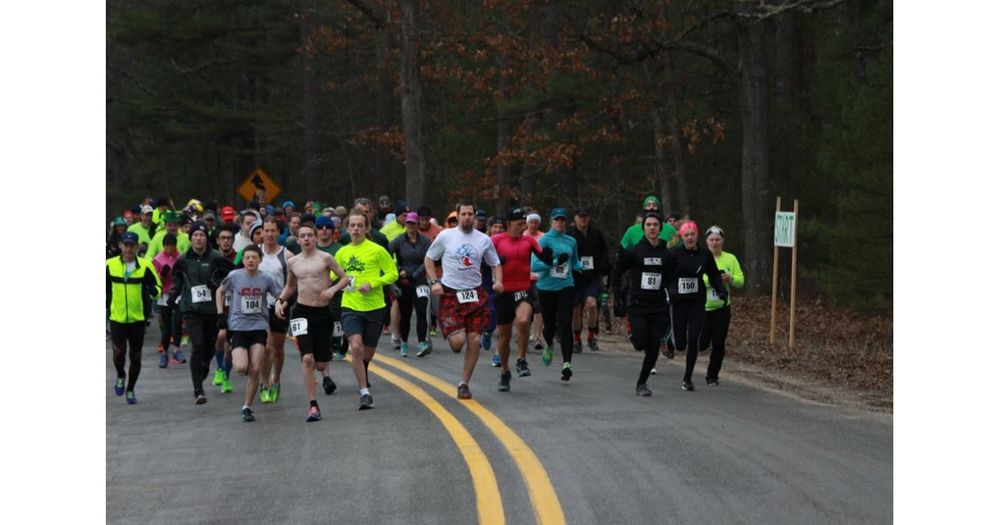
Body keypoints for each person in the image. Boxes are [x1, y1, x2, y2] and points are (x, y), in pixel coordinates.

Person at [424, 202, 503, 399]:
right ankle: (453, 332)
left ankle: (464, 384)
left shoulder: (484, 240)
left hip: (475, 294)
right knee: (458, 343)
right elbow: (429, 259)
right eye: (463, 214)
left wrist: (498, 281)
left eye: (470, 214)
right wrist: (435, 281)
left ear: (475, 217)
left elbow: (495, 263)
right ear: (457, 216)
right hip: (451, 293)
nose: (467, 217)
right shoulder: (445, 236)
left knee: (474, 339)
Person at [274, 222, 352, 421]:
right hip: (301, 312)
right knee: (307, 358)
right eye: (303, 236)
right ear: (298, 239)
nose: (307, 239)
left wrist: (332, 290)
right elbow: (290, 286)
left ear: (316, 238)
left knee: (320, 363)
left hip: (322, 313)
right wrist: (281, 301)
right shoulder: (293, 263)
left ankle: (323, 368)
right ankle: (313, 406)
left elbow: (345, 278)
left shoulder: (325, 258)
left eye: (310, 235)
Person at [333, 211, 399, 409]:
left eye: (360, 225)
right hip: (350, 305)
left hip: (374, 307)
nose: (356, 229)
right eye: (352, 225)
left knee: (367, 354)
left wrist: (373, 283)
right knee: (355, 346)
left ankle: (363, 366)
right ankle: (364, 392)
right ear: (347, 228)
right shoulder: (342, 252)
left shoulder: (377, 250)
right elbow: (332, 275)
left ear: (367, 228)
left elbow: (392, 273)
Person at [215, 245, 283, 422]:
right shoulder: (234, 276)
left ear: (260, 260)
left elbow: (279, 295)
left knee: (255, 367)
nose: (251, 260)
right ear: (243, 260)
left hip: (259, 327)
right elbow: (219, 292)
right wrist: (220, 314)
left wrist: (279, 304)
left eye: (254, 257)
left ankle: (247, 406)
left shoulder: (266, 279)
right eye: (247, 258)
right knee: (241, 367)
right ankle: (229, 355)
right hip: (238, 327)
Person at [167, 221, 233, 405]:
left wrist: (218, 281)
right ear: (191, 238)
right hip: (191, 310)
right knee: (197, 345)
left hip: (212, 310)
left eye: (202, 235)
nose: (198, 238)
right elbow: (177, 282)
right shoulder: (182, 260)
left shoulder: (216, 257)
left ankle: (204, 366)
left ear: (206, 238)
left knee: (209, 347)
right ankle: (198, 390)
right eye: (195, 235)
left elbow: (231, 277)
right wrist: (172, 297)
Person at [612, 212, 673, 396]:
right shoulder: (634, 251)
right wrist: (617, 295)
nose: (652, 228)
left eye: (655, 225)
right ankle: (632, 330)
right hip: (638, 305)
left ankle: (642, 383)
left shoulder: (667, 254)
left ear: (660, 229)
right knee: (640, 343)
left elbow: (672, 275)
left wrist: (672, 289)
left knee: (653, 348)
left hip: (658, 306)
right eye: (649, 225)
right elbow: (617, 270)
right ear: (643, 228)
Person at [491, 207, 551, 391]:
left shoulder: (529, 240)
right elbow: (483, 260)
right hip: (503, 293)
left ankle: (521, 359)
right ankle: (504, 372)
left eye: (524, 224)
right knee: (504, 336)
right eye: (519, 224)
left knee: (524, 320)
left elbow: (544, 256)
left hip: (522, 290)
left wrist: (550, 256)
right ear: (508, 224)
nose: (523, 227)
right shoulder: (496, 240)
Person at [669, 221, 727, 391]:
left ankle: (687, 378)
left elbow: (714, 275)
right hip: (678, 302)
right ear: (682, 237)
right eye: (686, 235)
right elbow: (667, 275)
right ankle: (669, 340)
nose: (689, 238)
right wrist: (671, 288)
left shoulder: (705, 254)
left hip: (697, 302)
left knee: (693, 340)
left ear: (697, 236)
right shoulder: (675, 254)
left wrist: (721, 290)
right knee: (680, 343)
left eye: (692, 234)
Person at [107, 231, 162, 404]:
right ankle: (120, 375)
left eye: (132, 245)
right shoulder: (109, 265)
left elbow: (158, 287)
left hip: (138, 319)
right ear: (121, 246)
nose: (129, 248)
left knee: (135, 357)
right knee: (119, 353)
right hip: (117, 317)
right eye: (126, 245)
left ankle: (130, 389)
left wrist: (154, 292)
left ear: (137, 247)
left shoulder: (145, 266)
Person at [531, 208, 582, 381]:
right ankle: (549, 344)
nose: (560, 223)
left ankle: (567, 364)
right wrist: (553, 263)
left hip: (566, 286)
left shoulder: (571, 241)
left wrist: (583, 268)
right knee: (550, 325)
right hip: (546, 288)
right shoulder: (544, 240)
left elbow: (575, 261)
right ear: (551, 221)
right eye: (557, 220)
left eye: (563, 220)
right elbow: (534, 266)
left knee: (566, 323)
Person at [697, 226, 744, 386]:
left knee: (719, 342)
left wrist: (729, 277)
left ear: (722, 241)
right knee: (702, 343)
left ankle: (712, 376)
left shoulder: (730, 258)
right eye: (712, 240)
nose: (715, 243)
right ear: (707, 241)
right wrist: (714, 280)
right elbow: (697, 279)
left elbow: (741, 280)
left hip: (722, 307)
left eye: (718, 240)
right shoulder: (701, 257)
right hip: (703, 307)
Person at [256, 217, 292, 403]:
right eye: (266, 230)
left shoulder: (287, 255)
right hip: (259, 307)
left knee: (278, 349)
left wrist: (285, 301)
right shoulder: (255, 252)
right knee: (267, 348)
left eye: (273, 231)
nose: (269, 234)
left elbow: (293, 284)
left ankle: (276, 379)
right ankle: (264, 383)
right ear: (261, 232)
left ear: (279, 232)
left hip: (280, 306)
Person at [388, 212, 432, 357]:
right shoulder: (399, 240)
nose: (411, 226)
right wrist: (398, 270)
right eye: (408, 223)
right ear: (405, 224)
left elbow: (429, 259)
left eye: (413, 223)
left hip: (420, 280)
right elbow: (386, 256)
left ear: (418, 224)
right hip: (404, 282)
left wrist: (415, 274)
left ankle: (422, 342)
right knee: (405, 313)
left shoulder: (425, 241)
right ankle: (404, 341)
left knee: (422, 310)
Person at [568, 208, 610, 352]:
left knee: (592, 305)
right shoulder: (570, 235)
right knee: (575, 309)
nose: (583, 220)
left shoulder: (596, 233)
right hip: (575, 277)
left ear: (589, 218)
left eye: (585, 217)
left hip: (592, 276)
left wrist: (604, 268)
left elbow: (604, 252)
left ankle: (591, 336)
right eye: (580, 217)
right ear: (575, 219)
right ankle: (577, 339)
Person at [152, 233, 186, 367]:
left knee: (177, 322)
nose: (169, 248)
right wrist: (162, 274)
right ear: (163, 246)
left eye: (171, 245)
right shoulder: (158, 259)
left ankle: (177, 349)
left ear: (175, 245)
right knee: (167, 327)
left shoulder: (181, 258)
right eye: (167, 245)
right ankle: (164, 352)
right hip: (165, 295)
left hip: (178, 294)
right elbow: (155, 280)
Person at [525, 212, 545, 349]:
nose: (533, 225)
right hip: (523, 276)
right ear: (527, 223)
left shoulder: (543, 237)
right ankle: (524, 334)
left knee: (539, 306)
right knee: (525, 307)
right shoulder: (522, 236)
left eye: (535, 222)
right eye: (531, 222)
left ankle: (538, 336)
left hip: (539, 276)